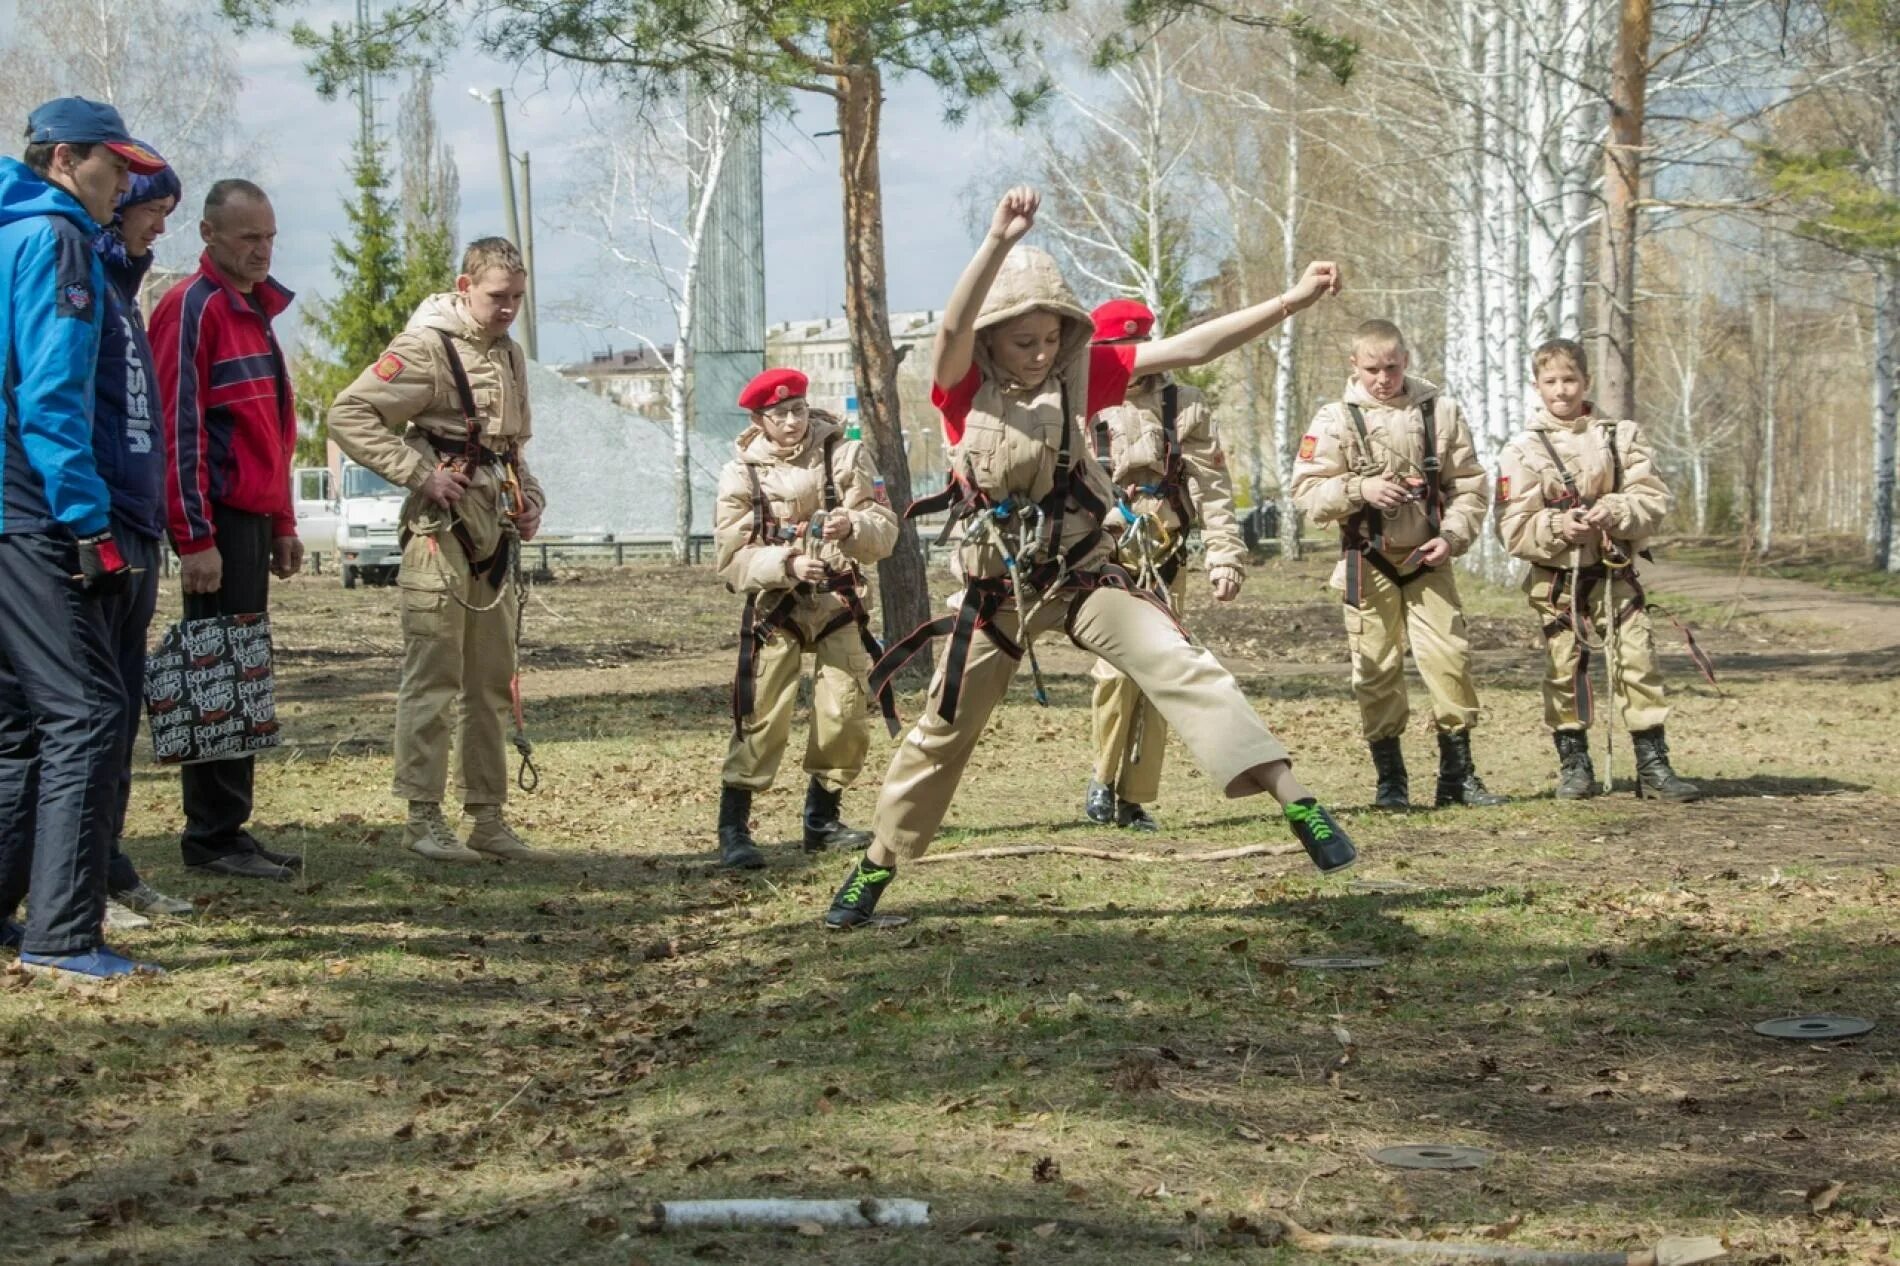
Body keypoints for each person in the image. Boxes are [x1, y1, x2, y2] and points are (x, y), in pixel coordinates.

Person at [824, 186, 1355, 931]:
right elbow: (950, 323)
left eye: (1050, 338)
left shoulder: (1085, 371)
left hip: (1080, 577)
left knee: (1178, 660)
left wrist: (1291, 302)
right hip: (996, 595)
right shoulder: (960, 386)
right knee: (941, 732)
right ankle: (875, 867)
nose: (1041, 354)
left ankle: (1298, 802)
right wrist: (997, 240)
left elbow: (1194, 345)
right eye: (1023, 342)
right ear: (992, 339)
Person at [0, 98, 166, 979]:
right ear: (65, 159)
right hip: (35, 510)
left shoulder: (8, 234)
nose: (126, 184)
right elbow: (52, 394)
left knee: (19, 725)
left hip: (6, 513)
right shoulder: (58, 241)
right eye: (115, 167)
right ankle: (62, 935)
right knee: (88, 710)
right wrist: (89, 520)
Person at [327, 237, 550, 862]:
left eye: (517, 299)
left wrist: (530, 498)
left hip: (495, 531)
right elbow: (349, 414)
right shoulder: (426, 347)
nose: (508, 309)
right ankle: (423, 818)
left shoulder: (509, 354)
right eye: (496, 297)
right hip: (440, 533)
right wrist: (418, 473)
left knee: (490, 682)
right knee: (434, 676)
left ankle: (487, 817)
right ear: (464, 286)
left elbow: (511, 447)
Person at [151, 178, 303, 880]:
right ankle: (210, 837)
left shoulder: (254, 310)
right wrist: (194, 537)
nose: (262, 250)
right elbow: (175, 428)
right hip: (213, 521)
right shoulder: (194, 306)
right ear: (209, 235)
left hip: (249, 518)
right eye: (248, 237)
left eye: (269, 236)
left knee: (240, 670)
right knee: (212, 670)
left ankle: (230, 828)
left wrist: (282, 520)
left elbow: (272, 427)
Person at [1290, 320, 1507, 811]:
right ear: (1354, 366)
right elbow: (1306, 494)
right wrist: (1358, 489)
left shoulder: (1439, 412)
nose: (1383, 378)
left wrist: (1452, 537)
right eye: (1372, 369)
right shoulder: (1334, 420)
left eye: (1391, 367)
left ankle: (1458, 774)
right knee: (1376, 669)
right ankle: (1391, 780)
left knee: (1450, 659)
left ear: (1406, 360)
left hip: (1428, 558)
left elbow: (1470, 486)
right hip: (1366, 560)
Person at [1496, 338, 1699, 802]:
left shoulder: (1620, 436)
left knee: (1638, 659)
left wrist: (1614, 510)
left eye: (1570, 380)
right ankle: (1574, 765)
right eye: (1551, 382)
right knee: (1565, 667)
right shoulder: (1523, 450)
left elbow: (1653, 500)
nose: (1562, 391)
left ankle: (1653, 763)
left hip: (1614, 570)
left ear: (1586, 381)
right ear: (1536, 386)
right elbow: (1512, 528)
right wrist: (1556, 524)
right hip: (1556, 579)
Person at [711, 368, 899, 869]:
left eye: (797, 410)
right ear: (759, 419)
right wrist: (786, 564)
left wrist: (852, 524)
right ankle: (735, 829)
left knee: (843, 713)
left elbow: (885, 530)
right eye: (779, 415)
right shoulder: (740, 473)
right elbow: (730, 558)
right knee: (762, 717)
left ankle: (822, 821)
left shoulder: (845, 453)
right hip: (777, 606)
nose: (792, 422)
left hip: (839, 602)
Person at [1082, 298, 1248, 832]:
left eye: (1136, 347)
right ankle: (1102, 781)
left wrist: (1225, 557)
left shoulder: (1186, 406)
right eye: (1116, 348)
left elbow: (1215, 489)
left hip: (1166, 555)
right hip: (1104, 557)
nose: (1129, 359)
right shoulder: (1079, 406)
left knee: (1161, 675)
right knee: (1114, 672)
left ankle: (1134, 796)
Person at [90, 145, 196, 926]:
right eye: (152, 212)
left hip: (136, 524)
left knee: (120, 713)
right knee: (86, 717)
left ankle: (111, 864)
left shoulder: (123, 289)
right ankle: (78, 882)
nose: (159, 230)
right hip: (92, 526)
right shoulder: (80, 276)